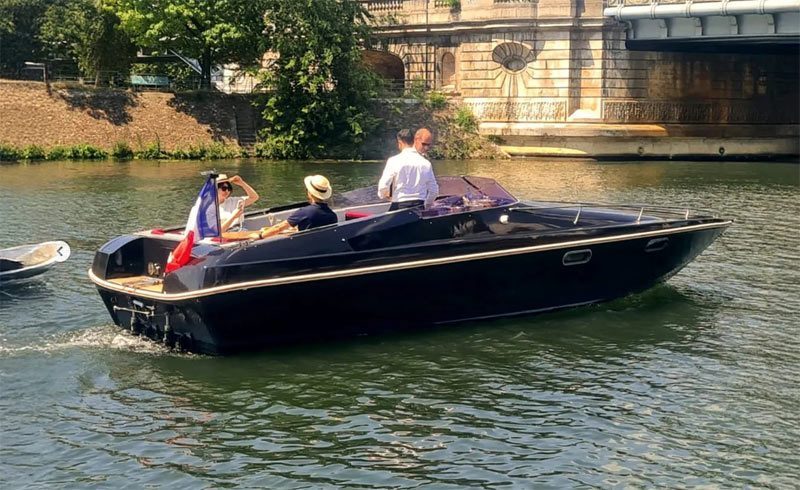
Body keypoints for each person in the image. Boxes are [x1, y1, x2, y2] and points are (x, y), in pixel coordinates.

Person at [253, 175, 337, 239]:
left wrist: (260, 236)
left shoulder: (304, 212)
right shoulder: (333, 216)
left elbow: (278, 228)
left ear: (309, 193)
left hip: (302, 245)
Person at [377, 127, 439, 211]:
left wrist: (383, 195)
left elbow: (383, 186)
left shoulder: (394, 161)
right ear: (414, 141)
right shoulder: (426, 164)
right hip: (419, 207)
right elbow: (434, 191)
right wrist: (426, 206)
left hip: (399, 206)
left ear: (399, 143)